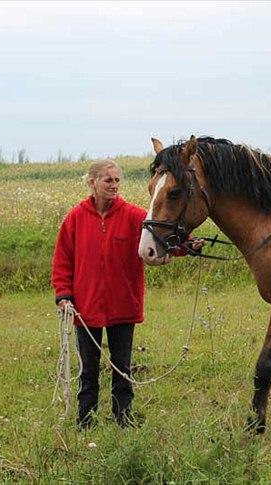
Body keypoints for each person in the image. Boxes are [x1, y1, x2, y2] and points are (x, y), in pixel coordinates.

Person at [51, 159, 200, 428]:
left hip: (123, 306)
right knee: (88, 370)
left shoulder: (134, 216)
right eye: (108, 180)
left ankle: (123, 418)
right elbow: (63, 259)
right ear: (92, 182)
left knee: (122, 368)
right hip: (86, 309)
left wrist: (187, 247)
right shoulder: (75, 217)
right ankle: (86, 421)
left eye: (117, 180)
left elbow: (160, 238)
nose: (114, 185)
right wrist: (64, 294)